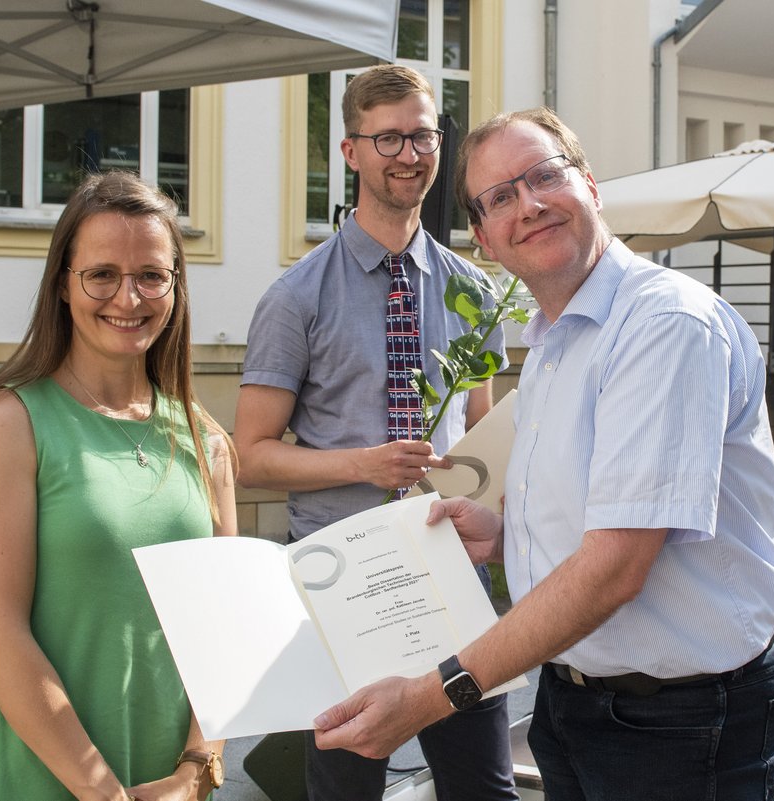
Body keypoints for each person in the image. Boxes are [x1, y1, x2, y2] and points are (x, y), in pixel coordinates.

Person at [313, 107, 774, 801]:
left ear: (591, 186)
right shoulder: (553, 338)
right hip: (577, 699)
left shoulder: (663, 325)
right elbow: (608, 510)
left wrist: (431, 695)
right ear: (484, 237)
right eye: (502, 196)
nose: (531, 204)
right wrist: (510, 532)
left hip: (685, 719)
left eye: (545, 175)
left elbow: (615, 566)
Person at [234, 65, 517, 801]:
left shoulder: (475, 291)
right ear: (351, 151)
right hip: (344, 583)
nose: (409, 152)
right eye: (387, 136)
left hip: (452, 573)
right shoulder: (296, 297)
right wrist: (368, 462)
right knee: (346, 790)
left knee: (483, 788)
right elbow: (250, 455)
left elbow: (482, 430)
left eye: (422, 134)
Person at [0, 171, 236, 801]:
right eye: (102, 274)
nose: (128, 298)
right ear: (62, 286)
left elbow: (223, 629)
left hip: (169, 781)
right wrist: (102, 792)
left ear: (175, 287)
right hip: (40, 774)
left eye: (151, 275)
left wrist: (197, 769)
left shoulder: (203, 438)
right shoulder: (9, 423)